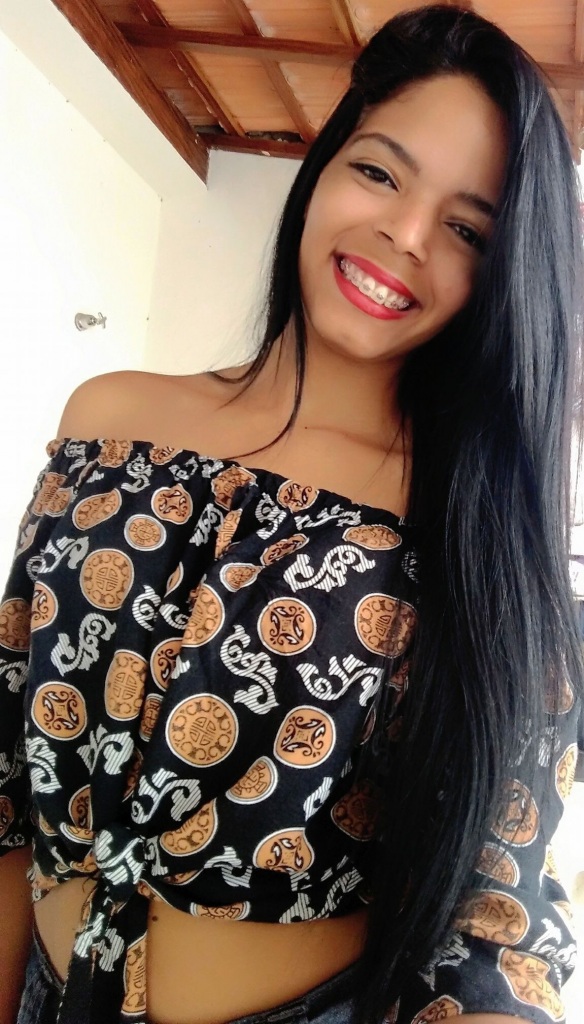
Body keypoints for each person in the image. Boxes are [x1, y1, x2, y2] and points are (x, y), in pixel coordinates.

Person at [1, 4, 582, 1023]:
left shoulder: (471, 538)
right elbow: (12, 773)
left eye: (464, 229)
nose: (404, 236)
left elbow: (491, 914)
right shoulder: (108, 419)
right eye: (379, 172)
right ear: (323, 166)